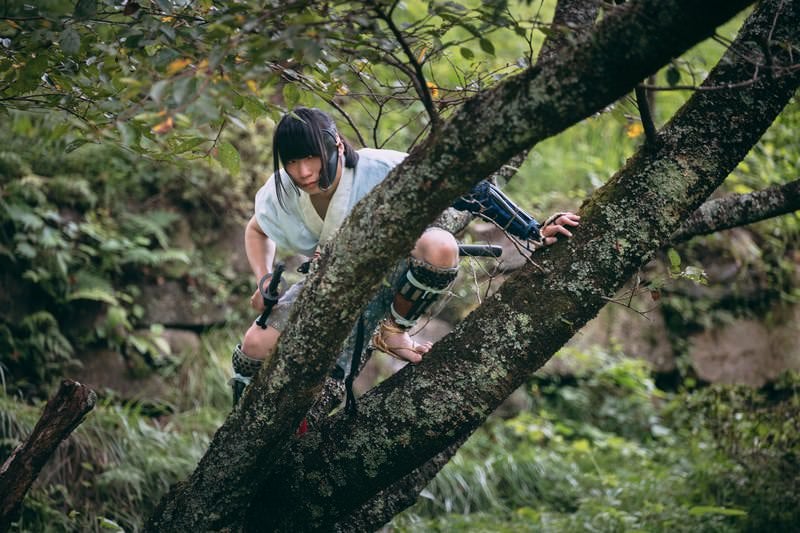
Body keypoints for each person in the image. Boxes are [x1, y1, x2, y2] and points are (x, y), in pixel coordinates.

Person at [230, 106, 580, 404]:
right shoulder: (285, 189)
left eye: (311, 157)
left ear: (335, 144)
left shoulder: (380, 167)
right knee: (253, 348)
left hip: (395, 270)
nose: (303, 171)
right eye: (293, 161)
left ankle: (393, 331)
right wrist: (262, 280)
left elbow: (470, 186)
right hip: (328, 283)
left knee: (440, 246)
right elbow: (256, 229)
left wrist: (532, 230)